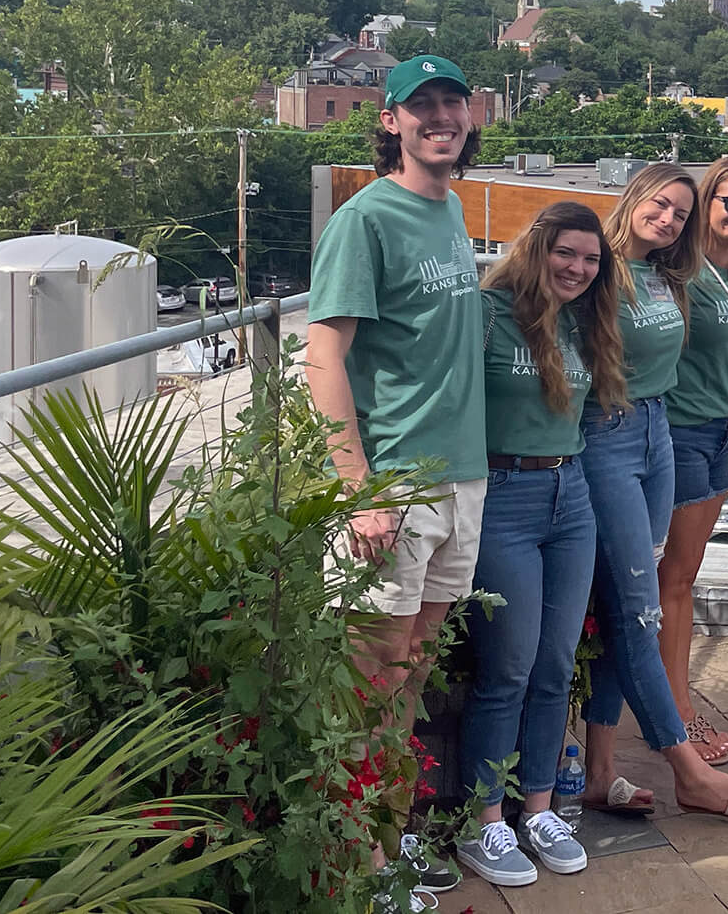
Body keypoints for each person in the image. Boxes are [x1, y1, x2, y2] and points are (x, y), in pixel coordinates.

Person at [306, 53, 484, 906]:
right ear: (391, 122)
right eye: (423, 107)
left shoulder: (448, 208)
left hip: (462, 481)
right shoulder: (365, 220)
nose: (440, 117)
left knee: (412, 668)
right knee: (366, 680)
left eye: (453, 103)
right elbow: (324, 355)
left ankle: (389, 841)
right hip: (395, 488)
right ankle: (355, 866)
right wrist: (358, 488)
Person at [577, 164, 728, 820]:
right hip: (607, 432)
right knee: (641, 605)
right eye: (659, 205)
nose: (667, 220)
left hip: (658, 431)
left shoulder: (670, 274)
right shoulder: (595, 268)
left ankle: (601, 766)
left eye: (679, 215)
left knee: (624, 605)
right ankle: (686, 768)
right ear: (633, 198)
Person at [454, 201, 625, 886]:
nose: (579, 269)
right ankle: (482, 821)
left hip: (570, 493)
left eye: (591, 259)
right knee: (509, 665)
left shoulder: (585, 321)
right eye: (567, 253)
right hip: (502, 495)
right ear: (537, 246)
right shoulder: (486, 312)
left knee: (556, 663)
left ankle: (539, 807)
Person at [661, 157, 728, 762]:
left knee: (684, 573)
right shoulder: (681, 268)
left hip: (721, 430)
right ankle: (677, 713)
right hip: (681, 429)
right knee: (674, 580)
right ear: (705, 203)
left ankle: (672, 702)